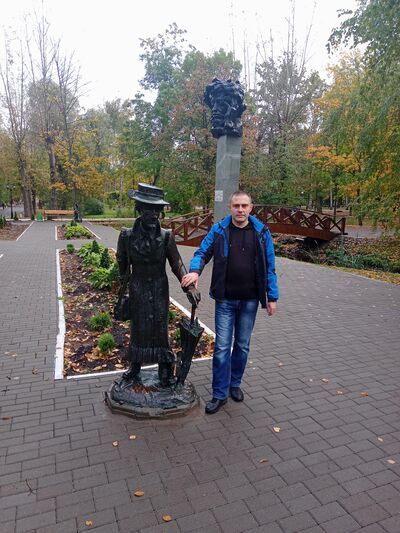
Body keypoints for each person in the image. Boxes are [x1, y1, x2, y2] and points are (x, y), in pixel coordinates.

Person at [181, 190, 279, 414]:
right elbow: (202, 252)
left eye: (244, 206)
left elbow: (270, 267)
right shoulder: (219, 229)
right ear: (230, 207)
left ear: (251, 208)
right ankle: (219, 393)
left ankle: (234, 384)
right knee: (222, 348)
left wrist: (272, 297)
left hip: (250, 300)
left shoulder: (262, 232)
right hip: (225, 299)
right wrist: (195, 271)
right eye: (236, 206)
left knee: (242, 345)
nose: (240, 210)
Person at [116, 183, 200, 387]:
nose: (153, 214)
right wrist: (121, 288)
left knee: (160, 327)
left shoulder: (166, 236)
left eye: (156, 209)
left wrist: (189, 287)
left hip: (159, 288)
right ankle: (135, 365)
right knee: (138, 328)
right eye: (148, 209)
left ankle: (164, 366)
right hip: (137, 288)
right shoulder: (127, 236)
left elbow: (176, 263)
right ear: (139, 209)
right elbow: (122, 265)